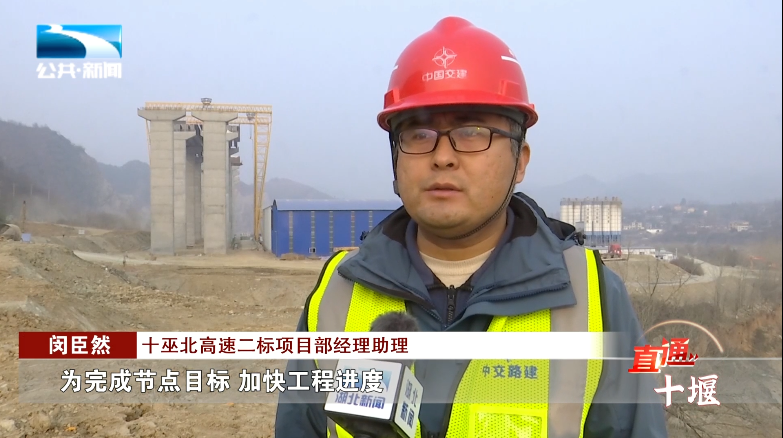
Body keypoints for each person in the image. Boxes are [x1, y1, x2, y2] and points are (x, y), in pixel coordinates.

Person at [275, 16, 668, 438]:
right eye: (419, 133)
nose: (442, 156)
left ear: (520, 160)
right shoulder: (338, 293)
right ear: (395, 156)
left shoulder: (591, 299)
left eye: (472, 131)